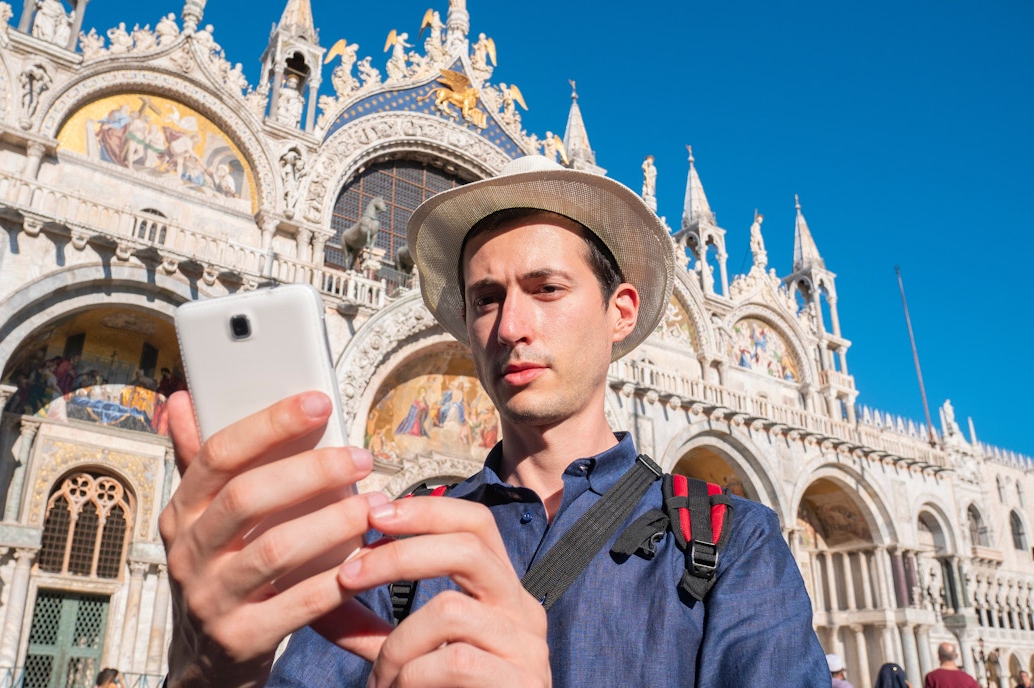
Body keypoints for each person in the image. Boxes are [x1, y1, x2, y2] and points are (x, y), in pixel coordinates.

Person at [159, 155, 827, 687]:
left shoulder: (727, 541)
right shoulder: (396, 548)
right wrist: (210, 677)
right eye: (485, 300)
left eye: (546, 289)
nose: (510, 327)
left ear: (620, 312)